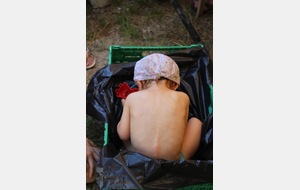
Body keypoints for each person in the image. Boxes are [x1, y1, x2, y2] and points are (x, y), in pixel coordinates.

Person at [117, 53, 202, 161]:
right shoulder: (183, 97)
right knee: (196, 122)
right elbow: (182, 126)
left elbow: (123, 135)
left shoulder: (132, 98)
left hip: (139, 163)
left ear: (139, 82)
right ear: (175, 85)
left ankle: (126, 149)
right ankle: (182, 162)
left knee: (128, 131)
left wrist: (125, 106)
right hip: (172, 164)